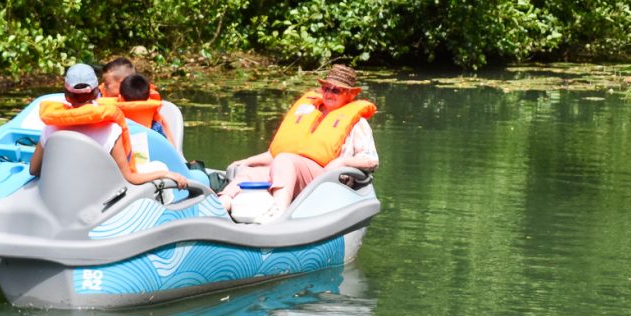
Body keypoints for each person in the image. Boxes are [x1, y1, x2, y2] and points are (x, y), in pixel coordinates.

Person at [220, 63, 378, 223]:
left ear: (350, 95)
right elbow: (273, 154)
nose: (329, 93)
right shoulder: (309, 112)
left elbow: (371, 160)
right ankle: (220, 206)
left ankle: (279, 212)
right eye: (326, 88)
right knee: (250, 173)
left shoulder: (357, 123)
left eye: (336, 90)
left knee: (285, 160)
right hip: (291, 170)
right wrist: (247, 161)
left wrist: (341, 161)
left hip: (328, 180)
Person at [29, 63, 200, 192]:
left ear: (66, 95)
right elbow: (130, 177)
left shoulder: (50, 129)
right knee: (160, 166)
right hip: (100, 196)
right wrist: (166, 174)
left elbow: (34, 169)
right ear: (97, 92)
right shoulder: (111, 130)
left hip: (66, 194)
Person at [103, 56, 185, 152]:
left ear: (123, 83)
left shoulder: (154, 119)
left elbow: (171, 149)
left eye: (106, 84)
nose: (103, 88)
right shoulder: (151, 110)